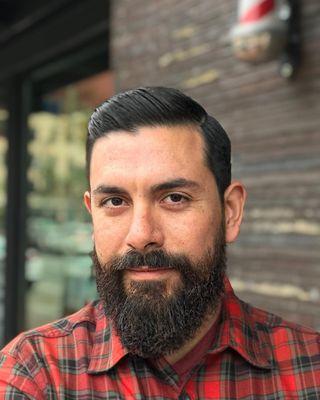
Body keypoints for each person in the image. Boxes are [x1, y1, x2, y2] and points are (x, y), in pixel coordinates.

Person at [0, 87, 319, 399]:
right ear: (92, 215)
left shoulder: (310, 370)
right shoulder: (36, 374)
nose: (141, 235)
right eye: (114, 201)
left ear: (230, 213)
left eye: (174, 198)